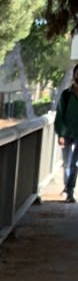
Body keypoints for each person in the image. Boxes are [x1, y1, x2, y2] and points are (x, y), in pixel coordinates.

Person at [55, 64, 78, 203]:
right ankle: (66, 187)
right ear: (74, 75)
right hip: (67, 132)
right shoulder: (66, 94)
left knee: (75, 164)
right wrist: (61, 134)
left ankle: (70, 191)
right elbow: (60, 115)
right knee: (67, 163)